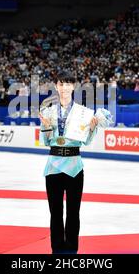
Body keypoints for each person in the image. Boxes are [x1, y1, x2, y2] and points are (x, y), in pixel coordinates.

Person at [38, 71, 98, 254]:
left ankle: (71, 251)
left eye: (68, 84)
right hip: (53, 165)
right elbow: (46, 142)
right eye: (61, 84)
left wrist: (93, 128)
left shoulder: (83, 112)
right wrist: (46, 126)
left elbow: (86, 141)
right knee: (55, 213)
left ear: (73, 87)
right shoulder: (47, 111)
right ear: (56, 86)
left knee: (73, 212)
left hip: (74, 165)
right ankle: (57, 250)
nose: (64, 88)